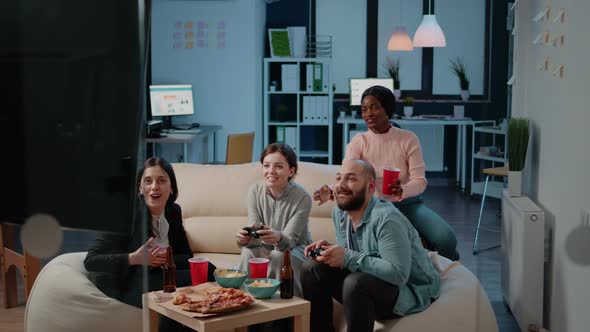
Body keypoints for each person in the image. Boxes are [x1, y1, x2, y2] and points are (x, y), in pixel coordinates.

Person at [315, 85, 459, 260]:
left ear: (387, 109)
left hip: (408, 205)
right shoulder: (359, 142)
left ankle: (438, 276)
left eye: (375, 107)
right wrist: (330, 191)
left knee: (446, 239)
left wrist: (403, 190)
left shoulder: (408, 139)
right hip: (373, 208)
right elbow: (347, 174)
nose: (368, 113)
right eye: (364, 109)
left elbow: (420, 181)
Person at [302, 159, 440, 332]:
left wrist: (347, 256)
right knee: (311, 268)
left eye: (351, 179)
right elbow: (354, 253)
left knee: (355, 283)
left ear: (370, 187)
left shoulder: (387, 219)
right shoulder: (340, 212)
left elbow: (399, 274)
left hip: (410, 289)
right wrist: (332, 250)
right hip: (368, 280)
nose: (341, 185)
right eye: (338, 178)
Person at [84, 157, 215, 330]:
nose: (154, 187)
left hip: (157, 273)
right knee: (179, 292)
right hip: (126, 279)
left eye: (161, 180)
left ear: (171, 187)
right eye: (148, 181)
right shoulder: (124, 216)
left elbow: (186, 255)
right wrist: (135, 258)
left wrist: (163, 257)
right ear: (140, 188)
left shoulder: (173, 211)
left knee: (210, 269)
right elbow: (91, 261)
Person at [237, 143, 312, 298]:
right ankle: (243, 305)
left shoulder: (303, 198)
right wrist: (245, 238)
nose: (270, 171)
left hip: (296, 249)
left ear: (291, 171)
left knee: (279, 257)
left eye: (278, 166)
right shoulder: (254, 191)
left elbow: (290, 240)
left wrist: (278, 237)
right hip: (264, 246)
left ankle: (284, 313)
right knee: (248, 252)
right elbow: (254, 229)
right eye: (266, 166)